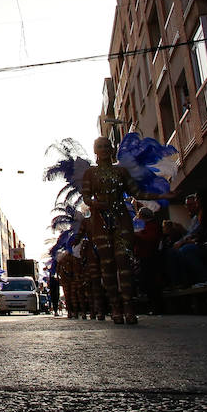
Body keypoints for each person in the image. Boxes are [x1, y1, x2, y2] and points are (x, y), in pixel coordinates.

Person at [81, 136, 166, 324]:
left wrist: (163, 194)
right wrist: (95, 204)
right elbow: (86, 197)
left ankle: (129, 306)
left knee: (123, 261)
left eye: (106, 146)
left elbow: (137, 193)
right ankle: (116, 307)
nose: (103, 149)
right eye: (100, 146)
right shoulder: (90, 174)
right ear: (95, 151)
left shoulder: (121, 171)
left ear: (112, 149)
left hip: (121, 219)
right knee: (108, 264)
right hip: (100, 221)